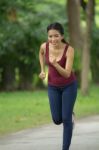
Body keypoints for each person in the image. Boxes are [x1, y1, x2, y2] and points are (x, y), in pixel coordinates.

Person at [39, 22, 77, 150]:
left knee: (66, 119)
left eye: (56, 36)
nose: (53, 39)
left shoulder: (69, 50)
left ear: (62, 36)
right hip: (53, 86)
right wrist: (42, 70)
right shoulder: (45, 46)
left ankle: (65, 148)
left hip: (69, 86)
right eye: (50, 36)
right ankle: (69, 115)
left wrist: (56, 65)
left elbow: (66, 74)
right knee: (56, 119)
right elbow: (41, 53)